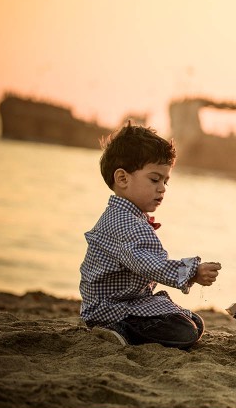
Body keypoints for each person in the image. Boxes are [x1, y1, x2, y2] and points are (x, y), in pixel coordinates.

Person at [79, 123, 221, 348]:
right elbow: (151, 266)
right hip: (109, 308)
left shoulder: (132, 216)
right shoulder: (122, 222)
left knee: (195, 323)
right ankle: (117, 330)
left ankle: (127, 328)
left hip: (131, 301)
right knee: (185, 332)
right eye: (155, 179)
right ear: (123, 179)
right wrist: (192, 272)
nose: (162, 188)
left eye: (165, 181)